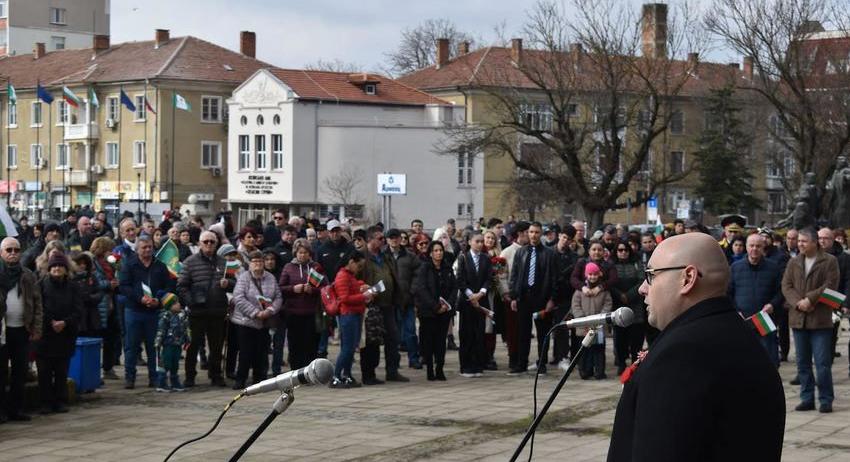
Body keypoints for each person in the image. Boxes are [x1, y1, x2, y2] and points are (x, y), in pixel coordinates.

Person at [607, 233, 785, 461]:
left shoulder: (681, 355)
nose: (642, 288)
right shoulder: (738, 334)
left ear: (688, 278)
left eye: (650, 275)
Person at [782, 227, 840, 413]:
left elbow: (831, 285)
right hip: (799, 318)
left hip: (820, 319)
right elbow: (786, 285)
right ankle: (807, 398)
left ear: (814, 242)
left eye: (803, 241)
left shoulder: (829, 261)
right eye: (798, 241)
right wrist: (798, 302)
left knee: (822, 363)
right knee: (803, 363)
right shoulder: (794, 262)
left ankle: (825, 399)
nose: (800, 244)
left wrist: (810, 299)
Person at [119, 235, 176, 389]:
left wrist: (159, 299)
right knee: (131, 345)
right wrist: (140, 298)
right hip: (134, 310)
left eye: (150, 246)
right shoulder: (129, 264)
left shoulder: (160, 266)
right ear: (137, 249)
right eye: (144, 247)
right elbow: (124, 286)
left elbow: (169, 286)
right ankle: (130, 377)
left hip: (154, 312)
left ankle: (154, 377)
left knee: (154, 346)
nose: (148, 250)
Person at [177, 231, 232, 388]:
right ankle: (190, 376)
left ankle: (215, 375)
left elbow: (235, 282)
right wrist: (190, 301)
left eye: (212, 242)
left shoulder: (224, 262)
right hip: (197, 312)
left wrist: (228, 284)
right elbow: (182, 286)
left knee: (216, 346)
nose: (209, 244)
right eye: (206, 241)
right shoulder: (190, 262)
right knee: (193, 346)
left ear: (216, 244)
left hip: (217, 311)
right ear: (200, 243)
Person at [0, 237, 42, 422]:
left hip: (22, 329)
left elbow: (37, 302)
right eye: (8, 250)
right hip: (2, 332)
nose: (13, 253)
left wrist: (37, 327)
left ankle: (15, 410)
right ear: (1, 253)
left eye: (16, 250)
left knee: (20, 372)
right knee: (1, 373)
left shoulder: (27, 275)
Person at [360, 226, 409, 384]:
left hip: (388, 304)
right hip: (371, 306)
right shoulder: (362, 257)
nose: (383, 241)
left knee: (393, 338)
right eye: (380, 238)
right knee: (371, 341)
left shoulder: (385, 256)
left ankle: (392, 371)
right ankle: (369, 374)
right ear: (370, 240)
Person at [509, 222, 559, 375]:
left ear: (541, 234)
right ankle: (521, 363)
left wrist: (552, 299)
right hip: (524, 297)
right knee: (523, 332)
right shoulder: (521, 252)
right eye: (531, 232)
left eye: (537, 232)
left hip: (542, 298)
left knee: (542, 333)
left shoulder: (550, 254)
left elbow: (555, 279)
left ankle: (541, 363)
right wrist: (514, 296)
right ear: (527, 233)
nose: (533, 235)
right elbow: (515, 275)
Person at [728, 233, 783, 367]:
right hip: (743, 319)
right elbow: (728, 293)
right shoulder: (735, 268)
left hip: (764, 319)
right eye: (751, 245)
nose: (754, 249)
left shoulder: (773, 268)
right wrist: (736, 311)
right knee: (743, 360)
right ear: (746, 247)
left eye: (758, 246)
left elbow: (781, 292)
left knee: (769, 359)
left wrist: (772, 304)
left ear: (763, 247)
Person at [36, 253, 81, 414]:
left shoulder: (73, 286)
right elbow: (38, 307)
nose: (57, 268)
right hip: (46, 335)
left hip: (65, 335)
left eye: (60, 266)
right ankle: (45, 402)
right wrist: (51, 322)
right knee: (44, 372)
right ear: (49, 268)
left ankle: (60, 401)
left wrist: (65, 323)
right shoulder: (41, 284)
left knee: (62, 371)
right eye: (54, 266)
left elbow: (78, 309)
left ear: (65, 268)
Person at [231, 251, 282, 390]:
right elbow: (238, 298)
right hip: (246, 321)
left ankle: (260, 379)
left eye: (260, 261)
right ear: (250, 264)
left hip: (264, 321)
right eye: (255, 261)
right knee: (246, 351)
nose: (258, 264)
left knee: (262, 351)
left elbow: (278, 297)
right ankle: (241, 379)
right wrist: (255, 313)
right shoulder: (244, 278)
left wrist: (270, 311)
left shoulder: (270, 277)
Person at [413, 241, 457, 381]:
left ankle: (440, 368)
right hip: (428, 312)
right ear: (431, 253)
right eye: (436, 250)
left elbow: (454, 288)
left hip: (444, 311)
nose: (439, 253)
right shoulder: (424, 268)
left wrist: (447, 305)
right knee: (428, 341)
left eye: (441, 250)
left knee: (440, 341)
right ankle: (430, 369)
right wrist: (435, 306)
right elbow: (421, 289)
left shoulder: (447, 268)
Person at [278, 241, 325, 370]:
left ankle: (310, 372)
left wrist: (313, 290)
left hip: (311, 312)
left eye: (305, 253)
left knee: (311, 344)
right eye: (300, 253)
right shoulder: (288, 267)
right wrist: (293, 288)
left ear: (310, 254)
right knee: (295, 344)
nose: (302, 255)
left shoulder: (316, 267)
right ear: (295, 253)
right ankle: (296, 371)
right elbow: (280, 288)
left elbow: (325, 287)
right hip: (293, 312)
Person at [330, 251, 372, 388]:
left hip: (355, 314)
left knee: (351, 347)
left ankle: (347, 375)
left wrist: (362, 287)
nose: (359, 269)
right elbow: (344, 298)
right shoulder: (342, 276)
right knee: (347, 348)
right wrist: (364, 295)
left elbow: (353, 288)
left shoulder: (350, 276)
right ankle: (336, 376)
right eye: (358, 266)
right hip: (348, 315)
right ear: (351, 262)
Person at [456, 232, 493, 378]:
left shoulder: (486, 258)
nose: (480, 244)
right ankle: (466, 366)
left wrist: (481, 293)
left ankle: (478, 365)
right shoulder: (463, 257)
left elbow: (490, 278)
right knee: (466, 333)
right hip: (467, 301)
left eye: (481, 241)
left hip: (481, 301)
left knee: (479, 333)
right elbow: (460, 279)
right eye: (477, 241)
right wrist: (471, 295)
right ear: (470, 242)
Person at [386, 228, 422, 370]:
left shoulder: (410, 256)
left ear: (401, 239)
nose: (394, 240)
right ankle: (394, 361)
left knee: (410, 331)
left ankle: (413, 359)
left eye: (396, 237)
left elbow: (418, 274)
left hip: (407, 300)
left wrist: (412, 291)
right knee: (393, 334)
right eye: (391, 237)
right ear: (387, 239)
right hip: (390, 301)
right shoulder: (383, 255)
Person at [571, 262, 612, 379]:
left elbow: (608, 304)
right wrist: (583, 320)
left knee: (598, 350)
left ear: (599, 275)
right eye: (590, 274)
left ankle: (599, 371)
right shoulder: (579, 291)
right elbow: (575, 306)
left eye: (595, 274)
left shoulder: (604, 291)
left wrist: (600, 319)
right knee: (584, 350)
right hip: (583, 327)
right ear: (586, 275)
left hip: (598, 327)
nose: (593, 277)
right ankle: (585, 371)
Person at [610, 242, 646, 376]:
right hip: (618, 305)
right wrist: (620, 295)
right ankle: (621, 363)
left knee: (636, 337)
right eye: (620, 250)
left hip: (635, 304)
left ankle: (635, 363)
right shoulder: (612, 265)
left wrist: (629, 295)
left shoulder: (637, 264)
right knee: (619, 338)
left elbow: (641, 280)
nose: (623, 252)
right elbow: (610, 283)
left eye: (626, 250)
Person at [498, 221, 529, 373]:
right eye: (527, 233)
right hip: (511, 298)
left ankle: (523, 358)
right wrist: (507, 294)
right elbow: (501, 276)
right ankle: (513, 359)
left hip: (527, 298)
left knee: (525, 331)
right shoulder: (507, 252)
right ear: (520, 234)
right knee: (513, 331)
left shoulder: (530, 250)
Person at [90, 237, 120, 380]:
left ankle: (108, 367)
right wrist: (108, 284)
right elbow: (95, 282)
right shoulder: (93, 263)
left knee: (111, 337)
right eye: (110, 249)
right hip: (100, 304)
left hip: (111, 303)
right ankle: (95, 370)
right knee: (98, 337)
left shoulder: (111, 263)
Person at [154, 293, 189, 392]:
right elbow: (161, 330)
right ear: (169, 306)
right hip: (167, 344)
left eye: (178, 302)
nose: (178, 304)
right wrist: (158, 342)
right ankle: (161, 383)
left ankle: (175, 382)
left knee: (175, 363)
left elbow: (185, 328)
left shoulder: (182, 315)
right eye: (175, 303)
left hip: (177, 344)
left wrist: (187, 338)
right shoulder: (165, 316)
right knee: (165, 363)